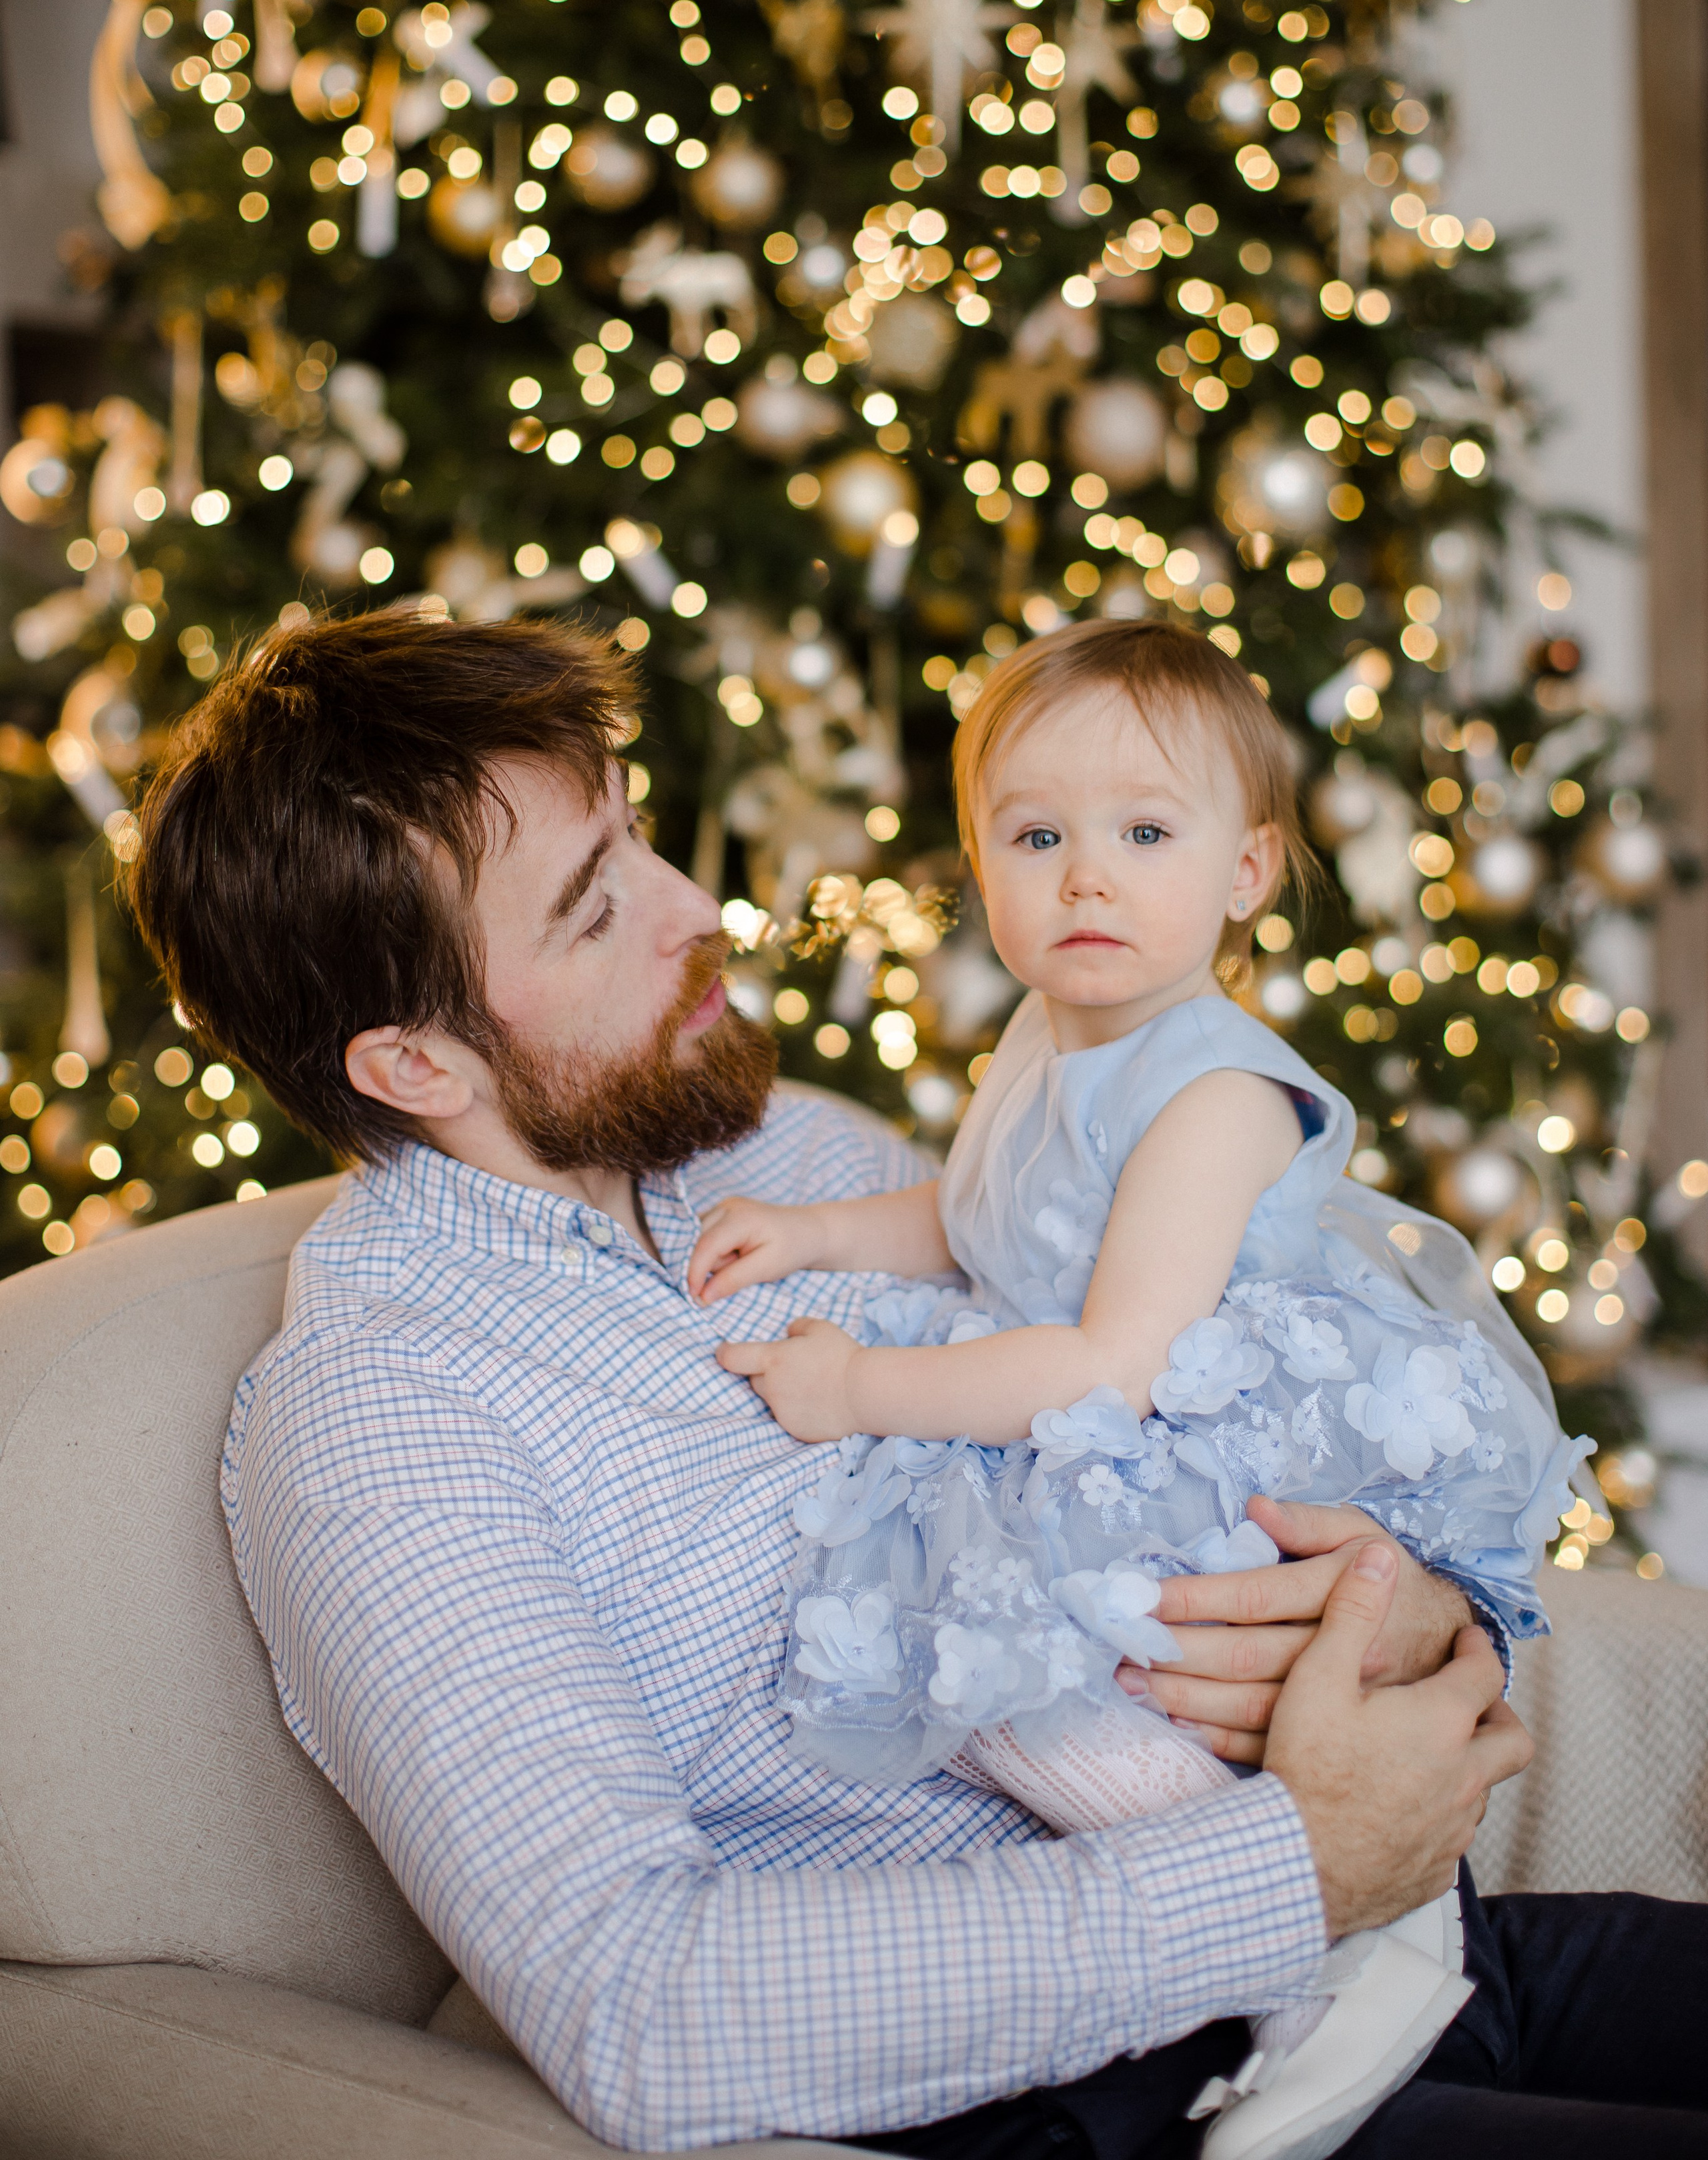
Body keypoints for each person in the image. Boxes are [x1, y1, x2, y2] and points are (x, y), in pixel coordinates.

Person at [120, 610, 1708, 2159]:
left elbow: (1180, 1380)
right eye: (595, 911)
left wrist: (1399, 1601)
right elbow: (640, 2006)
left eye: (641, 838)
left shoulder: (788, 1151)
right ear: (414, 1065)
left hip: (1427, 1955)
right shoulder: (386, 1418)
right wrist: (1294, 1868)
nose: (697, 909)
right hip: (1123, 2097)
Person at [688, 620, 1591, 2154]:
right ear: (981, 866)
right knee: (981, 1693)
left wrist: (859, 1385)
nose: (1084, 879)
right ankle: (1279, 1943)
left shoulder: (1216, 1094)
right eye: (1036, 836)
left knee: (1069, 1685)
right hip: (1076, 1406)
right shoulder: (1040, 1035)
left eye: (1143, 834)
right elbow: (988, 1221)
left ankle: (1353, 1945)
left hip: (1192, 1436)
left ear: (1243, 873)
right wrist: (824, 1234)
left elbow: (1115, 1358)